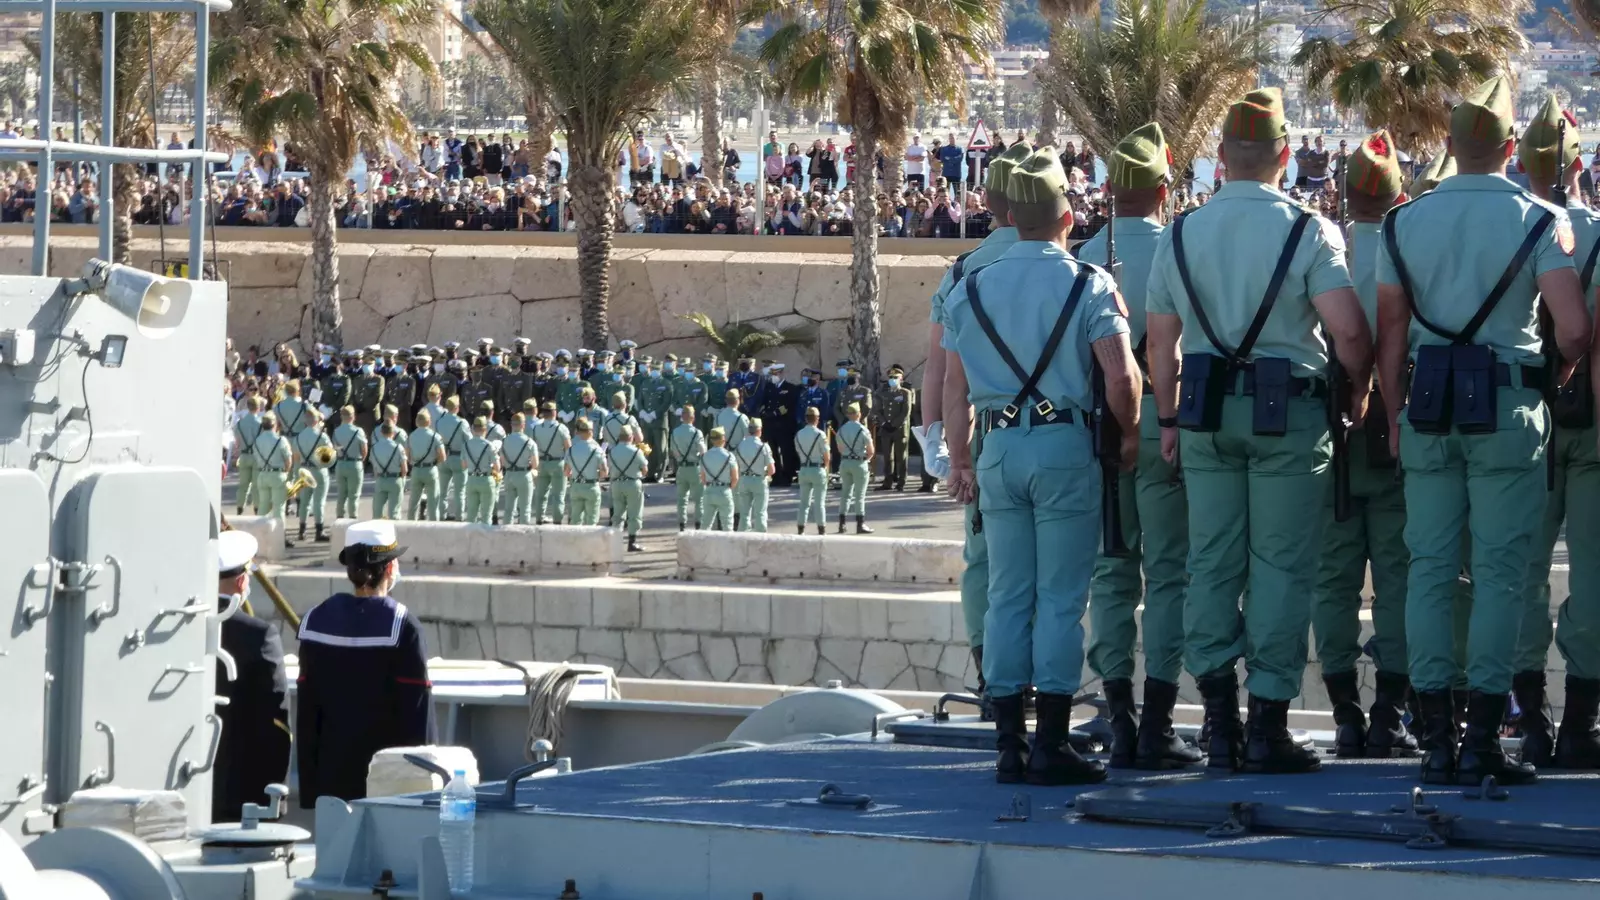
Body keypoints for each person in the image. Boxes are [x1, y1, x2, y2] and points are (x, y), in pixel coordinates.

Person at [1147, 88, 1373, 774]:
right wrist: (1360, 386)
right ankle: (1268, 723)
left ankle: (1219, 722)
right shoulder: (1309, 232)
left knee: (1211, 562)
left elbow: (1160, 344)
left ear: (1221, 156)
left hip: (1204, 411)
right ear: (1285, 155)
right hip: (1287, 415)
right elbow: (1349, 333)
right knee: (1281, 566)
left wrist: (1167, 420)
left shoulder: (1180, 233)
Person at [1377, 76, 1590, 786]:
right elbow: (1574, 329)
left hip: (1427, 408)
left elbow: (1390, 333)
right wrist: (1554, 373)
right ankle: (1483, 742)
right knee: (1500, 575)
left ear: (1449, 144)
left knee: (1430, 570)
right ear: (1509, 147)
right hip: (1507, 406)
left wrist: (1393, 413)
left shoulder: (1403, 222)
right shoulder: (1539, 220)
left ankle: (1437, 738)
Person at [941, 147, 1141, 786]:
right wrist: (1129, 436)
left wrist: (961, 457)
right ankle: (1052, 742)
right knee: (1060, 598)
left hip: (997, 447)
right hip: (1062, 446)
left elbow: (953, 387)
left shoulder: (968, 286)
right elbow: (1121, 378)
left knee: (1006, 594)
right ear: (1066, 215)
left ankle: (1009, 743)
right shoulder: (1089, 282)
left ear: (1009, 215)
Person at [1074, 122, 1201, 771]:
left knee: (1112, 575)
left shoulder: (1082, 255)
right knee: (1170, 572)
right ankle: (1158, 721)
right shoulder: (1185, 247)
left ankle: (1119, 719)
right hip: (1165, 421)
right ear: (1162, 187)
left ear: (1109, 190)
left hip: (1101, 429)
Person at [1300, 130, 1420, 762]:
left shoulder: (1327, 251)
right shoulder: (1411, 253)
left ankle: (1346, 712)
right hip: (1399, 433)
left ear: (1345, 194)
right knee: (1400, 579)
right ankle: (1389, 715)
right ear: (1399, 195)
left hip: (1335, 433)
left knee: (1334, 581)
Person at [1511, 96, 1600, 773]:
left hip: (1519, 421)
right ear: (1577, 165)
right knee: (1594, 574)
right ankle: (1578, 724)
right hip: (1590, 424)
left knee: (1518, 572)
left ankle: (1531, 721)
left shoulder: (1509, 226)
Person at [925, 141, 1032, 697]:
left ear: (988, 202)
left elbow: (942, 373)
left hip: (987, 433)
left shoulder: (963, 270)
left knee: (984, 558)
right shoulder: (1072, 264)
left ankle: (992, 672)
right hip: (1059, 433)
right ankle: (1038, 680)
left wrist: (942, 446)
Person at [296, 521, 433, 808]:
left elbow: (307, 717)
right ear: (390, 567)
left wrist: (311, 791)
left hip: (331, 783)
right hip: (388, 784)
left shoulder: (315, 622)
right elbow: (417, 719)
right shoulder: (404, 627)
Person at [212, 530, 290, 823]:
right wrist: (276, 796)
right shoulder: (260, 635)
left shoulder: (179, 625)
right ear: (242, 581)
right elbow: (277, 719)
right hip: (242, 791)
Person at [251, 412, 295, 549]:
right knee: (279, 508)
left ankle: (259, 536)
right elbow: (288, 461)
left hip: (262, 474)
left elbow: (256, 459)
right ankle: (279, 537)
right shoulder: (281, 440)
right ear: (275, 424)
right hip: (277, 474)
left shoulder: (257, 441)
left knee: (263, 506)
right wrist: (285, 473)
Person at [290, 408, 333, 542]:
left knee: (304, 502)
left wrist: (297, 475)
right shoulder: (322, 436)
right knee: (319, 502)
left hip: (304, 470)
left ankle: (302, 530)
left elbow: (296, 458)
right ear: (317, 421)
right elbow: (330, 456)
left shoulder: (298, 437)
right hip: (319, 469)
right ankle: (319, 531)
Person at [607, 426, 648, 551]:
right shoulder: (636, 451)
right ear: (631, 437)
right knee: (634, 513)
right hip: (632, 483)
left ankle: (615, 542)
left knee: (618, 514)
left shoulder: (612, 451)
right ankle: (632, 542)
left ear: (619, 437)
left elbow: (609, 468)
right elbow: (645, 470)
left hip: (616, 484)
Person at [835, 403, 874, 534]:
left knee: (845, 494)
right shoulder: (863, 430)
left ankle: (842, 524)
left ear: (847, 414)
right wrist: (866, 459)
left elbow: (840, 449)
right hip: (859, 463)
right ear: (859, 414)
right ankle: (860, 524)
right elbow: (871, 451)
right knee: (859, 496)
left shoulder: (841, 430)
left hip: (845, 462)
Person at [530, 401, 571, 525]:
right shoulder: (561, 428)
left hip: (542, 463)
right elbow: (568, 448)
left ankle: (539, 518)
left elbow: (533, 447)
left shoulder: (536, 428)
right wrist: (568, 465)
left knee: (540, 494)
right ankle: (557, 521)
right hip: (558, 463)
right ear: (554, 413)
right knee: (559, 495)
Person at [733, 417, 776, 532]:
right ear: (759, 430)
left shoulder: (740, 445)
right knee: (760, 512)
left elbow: (735, 466)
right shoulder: (763, 446)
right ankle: (760, 535)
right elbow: (772, 470)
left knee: (744, 513)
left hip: (744, 479)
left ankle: (743, 535)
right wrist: (764, 473)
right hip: (759, 480)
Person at [875, 365, 913, 491]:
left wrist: (895, 424)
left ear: (901, 379)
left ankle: (901, 482)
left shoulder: (905, 393)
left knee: (901, 457)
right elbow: (878, 410)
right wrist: (884, 423)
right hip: (886, 429)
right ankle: (887, 481)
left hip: (900, 430)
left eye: (895, 377)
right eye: (891, 377)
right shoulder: (884, 393)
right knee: (887, 457)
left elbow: (906, 411)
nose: (893, 380)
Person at [565, 417, 607, 525]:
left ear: (579, 432)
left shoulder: (571, 450)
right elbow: (604, 472)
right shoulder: (597, 450)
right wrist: (595, 473)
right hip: (591, 486)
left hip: (576, 486)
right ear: (591, 432)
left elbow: (566, 472)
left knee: (575, 519)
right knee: (592, 520)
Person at [795, 406, 831, 535]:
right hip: (817, 468)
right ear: (817, 419)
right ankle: (821, 529)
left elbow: (798, 452)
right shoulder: (820, 434)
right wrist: (826, 468)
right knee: (819, 502)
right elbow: (827, 456)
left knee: (804, 502)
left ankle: (801, 529)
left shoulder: (798, 434)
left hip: (804, 468)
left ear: (806, 419)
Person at [406, 408, 446, 520]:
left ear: (416, 422)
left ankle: (410, 524)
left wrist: (413, 462)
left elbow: (407, 455)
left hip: (416, 469)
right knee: (433, 502)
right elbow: (443, 456)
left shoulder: (411, 436)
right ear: (429, 421)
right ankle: (434, 525)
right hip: (430, 469)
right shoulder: (435, 436)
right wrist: (435, 462)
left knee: (414, 501)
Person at [671, 405, 706, 530]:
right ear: (693, 417)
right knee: (699, 499)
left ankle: (682, 525)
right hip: (695, 467)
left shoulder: (675, 432)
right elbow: (702, 451)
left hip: (681, 468)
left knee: (682, 499)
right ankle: (698, 525)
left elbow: (674, 451)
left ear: (682, 416)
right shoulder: (697, 432)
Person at [461, 416, 501, 524]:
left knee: (471, 515)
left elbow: (463, 466)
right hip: (486, 480)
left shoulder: (465, 445)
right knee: (486, 515)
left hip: (471, 479)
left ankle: (470, 535)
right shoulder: (489, 445)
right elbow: (497, 467)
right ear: (485, 429)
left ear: (473, 429)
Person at [499, 412, 537, 525]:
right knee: (525, 508)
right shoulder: (529, 442)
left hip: (509, 475)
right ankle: (524, 532)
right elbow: (535, 463)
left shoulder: (504, 441)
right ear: (523, 425)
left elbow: (502, 462)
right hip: (524, 475)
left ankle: (507, 531)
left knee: (509, 508)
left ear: (512, 425)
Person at [331, 406, 368, 519]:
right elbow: (364, 450)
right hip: (354, 463)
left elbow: (335, 448)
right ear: (353, 416)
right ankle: (353, 517)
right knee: (354, 494)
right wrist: (361, 460)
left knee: (341, 494)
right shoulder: (358, 431)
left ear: (341, 416)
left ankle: (339, 516)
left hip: (340, 463)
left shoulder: (336, 431)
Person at [699, 427, 738, 531]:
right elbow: (735, 477)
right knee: (727, 525)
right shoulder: (729, 456)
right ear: (723, 439)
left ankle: (702, 541)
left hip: (709, 491)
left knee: (705, 524)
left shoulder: (704, 456)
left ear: (712, 440)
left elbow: (702, 478)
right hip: (724, 490)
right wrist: (729, 487)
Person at [369, 422, 408, 519]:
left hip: (381, 479)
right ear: (393, 432)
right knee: (394, 512)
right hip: (395, 479)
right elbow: (405, 469)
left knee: (377, 511)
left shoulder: (374, 447)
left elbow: (374, 468)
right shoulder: (398, 447)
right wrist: (402, 480)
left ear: (381, 432)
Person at [234, 395, 264, 515]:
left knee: (243, 484)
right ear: (258, 408)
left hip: (244, 455)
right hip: (257, 456)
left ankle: (239, 508)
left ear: (247, 406)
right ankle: (256, 508)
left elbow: (237, 443)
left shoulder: (239, 424)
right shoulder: (261, 424)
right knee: (256, 485)